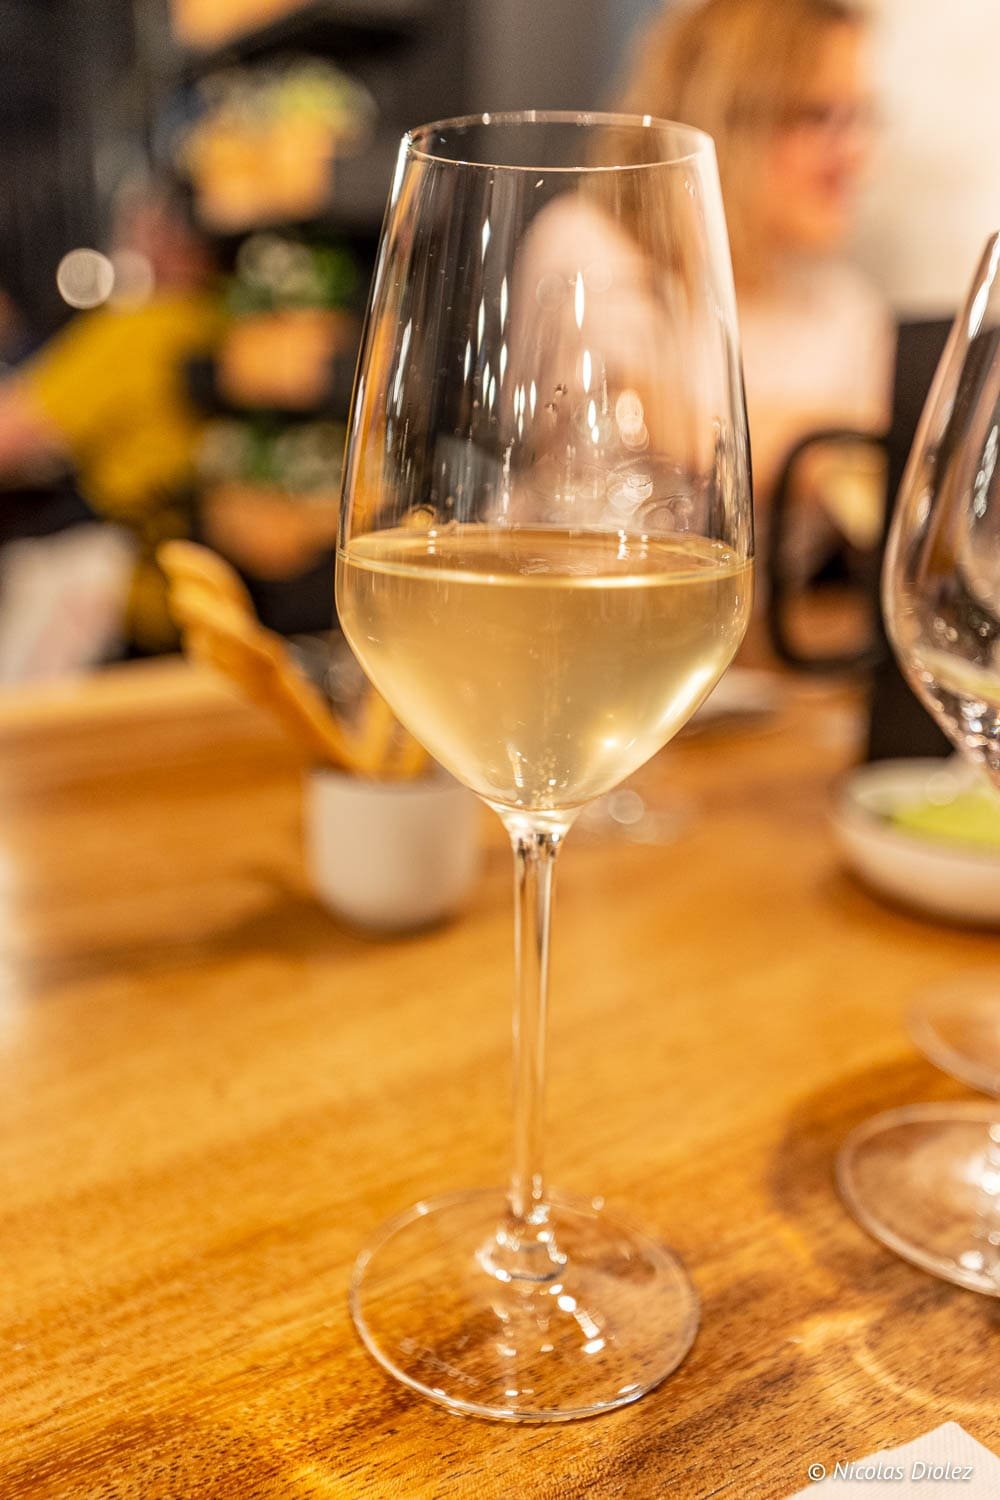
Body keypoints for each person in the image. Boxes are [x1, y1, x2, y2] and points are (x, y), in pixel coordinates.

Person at [617, 0, 893, 514]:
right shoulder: (596, 247)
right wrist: (843, 444)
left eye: (860, 118)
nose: (856, 153)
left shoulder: (849, 310)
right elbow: (640, 419)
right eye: (818, 116)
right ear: (728, 114)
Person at [0, 184, 223, 653]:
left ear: (161, 236)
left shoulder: (141, 330)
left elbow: (10, 435)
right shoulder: (225, 322)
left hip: (137, 597)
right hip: (211, 590)